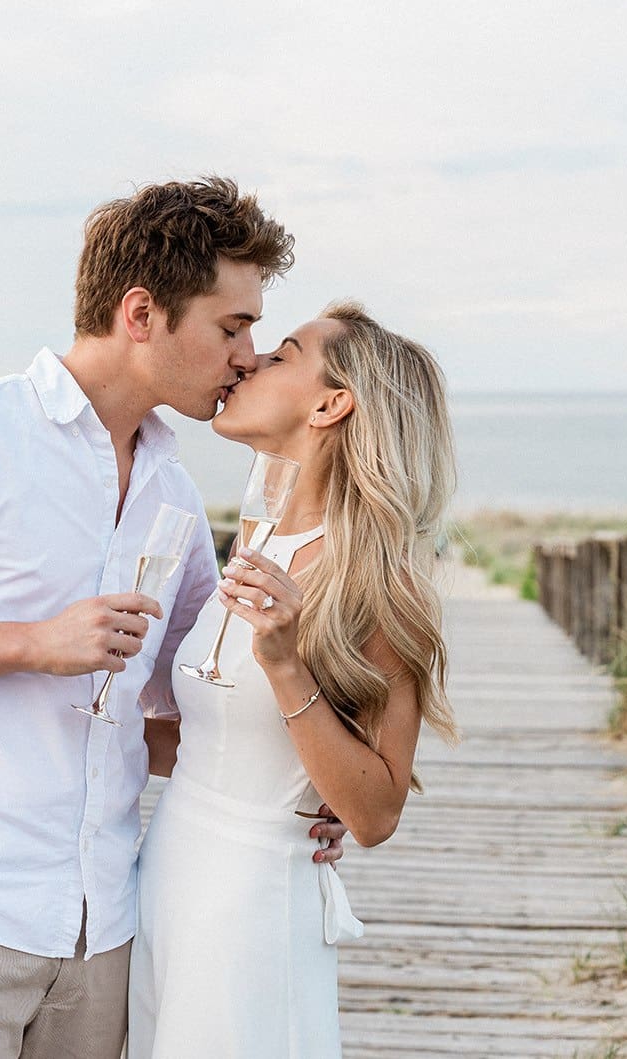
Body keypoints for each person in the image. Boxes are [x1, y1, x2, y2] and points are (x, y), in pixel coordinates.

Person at [0, 177, 346, 1059]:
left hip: (104, 924)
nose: (247, 356)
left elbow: (187, 698)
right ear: (142, 313)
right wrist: (35, 643)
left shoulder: (172, 489)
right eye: (232, 327)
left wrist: (295, 792)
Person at [128, 302, 460, 1056]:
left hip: (252, 903)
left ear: (330, 405)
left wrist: (285, 665)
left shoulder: (378, 583)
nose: (249, 360)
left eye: (280, 355)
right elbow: (215, 740)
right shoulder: (257, 537)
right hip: (166, 872)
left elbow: (374, 812)